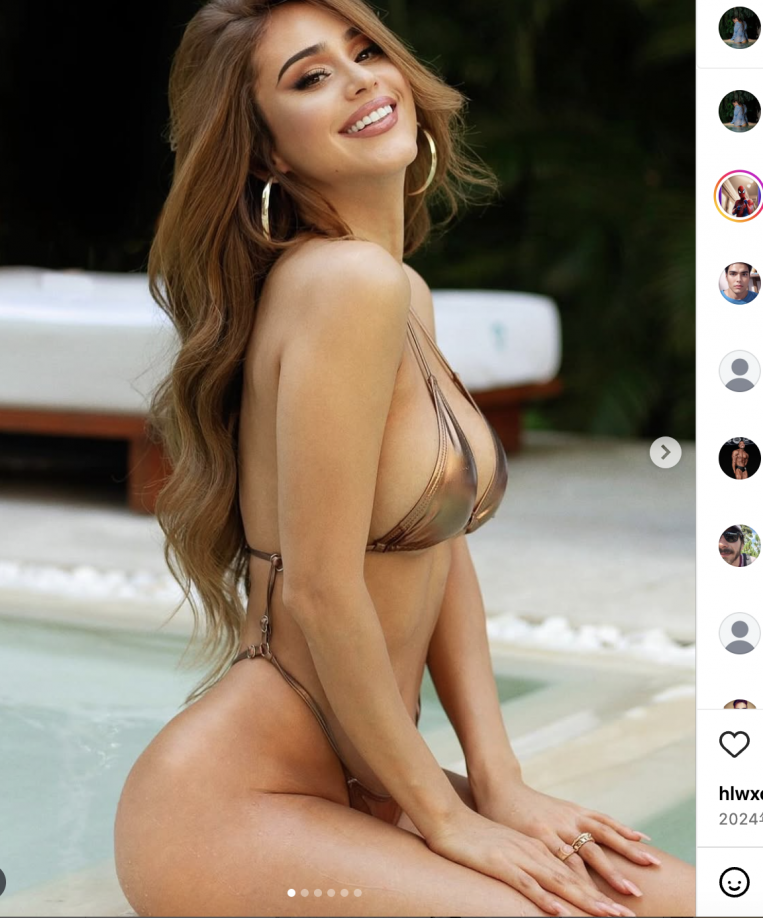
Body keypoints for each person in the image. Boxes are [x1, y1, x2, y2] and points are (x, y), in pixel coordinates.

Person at [113, 2, 695, 916]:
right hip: (239, 804)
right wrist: (445, 816)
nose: (359, 81)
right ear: (266, 153)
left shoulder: (399, 290)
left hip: (373, 782)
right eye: (311, 77)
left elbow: (437, 542)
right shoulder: (346, 285)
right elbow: (318, 588)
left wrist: (499, 784)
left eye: (365, 50)